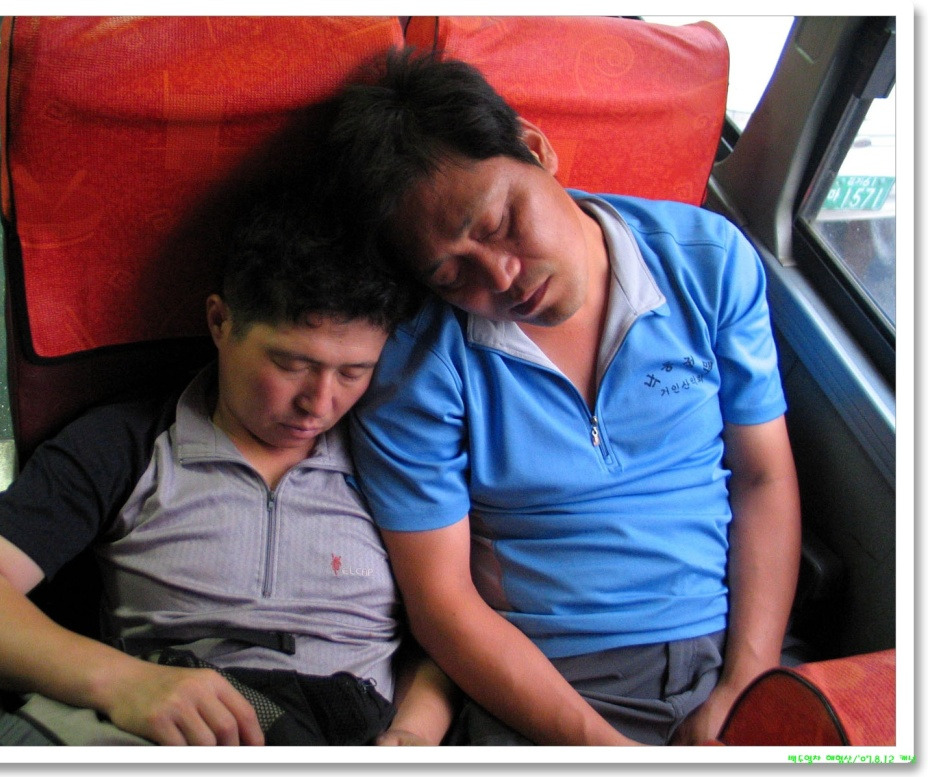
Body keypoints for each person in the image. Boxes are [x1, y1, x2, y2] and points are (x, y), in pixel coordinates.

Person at [322, 49, 802, 746]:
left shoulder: (708, 262)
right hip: (550, 684)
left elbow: (763, 476)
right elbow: (443, 604)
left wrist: (746, 683)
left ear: (537, 149)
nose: (502, 277)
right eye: (454, 275)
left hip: (732, 643)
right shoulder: (420, 365)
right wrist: (607, 751)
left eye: (498, 224)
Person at [0, 192, 454, 746]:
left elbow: (446, 629)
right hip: (171, 730)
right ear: (220, 322)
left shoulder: (399, 460)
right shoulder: (128, 445)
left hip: (346, 733)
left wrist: (414, 733)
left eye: (353, 372)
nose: (318, 404)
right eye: (291, 364)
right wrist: (121, 683)